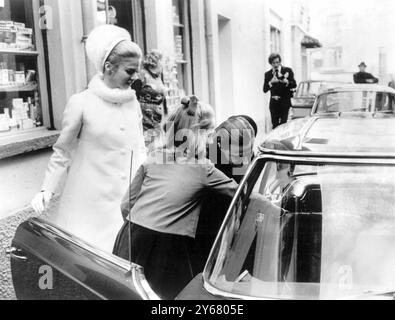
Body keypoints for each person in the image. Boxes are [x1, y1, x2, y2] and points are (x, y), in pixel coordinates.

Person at [30, 25, 147, 252]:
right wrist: (47, 189)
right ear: (108, 67)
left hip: (126, 203)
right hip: (90, 205)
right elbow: (63, 151)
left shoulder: (132, 102)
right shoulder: (81, 102)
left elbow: (140, 146)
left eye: (137, 71)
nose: (136, 77)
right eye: (130, 71)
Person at [112, 96, 238, 299]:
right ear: (199, 135)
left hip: (130, 234)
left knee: (125, 292)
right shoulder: (202, 168)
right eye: (209, 133)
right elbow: (239, 192)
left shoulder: (154, 157)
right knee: (171, 297)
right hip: (166, 246)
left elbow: (126, 204)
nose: (212, 139)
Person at [190, 115, 258, 276]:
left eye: (245, 152)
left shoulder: (244, 145)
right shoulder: (206, 154)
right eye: (237, 153)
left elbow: (248, 179)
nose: (242, 158)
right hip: (206, 218)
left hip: (234, 211)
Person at [131, 49, 167, 149]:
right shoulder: (141, 76)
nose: (163, 66)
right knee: (148, 150)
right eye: (162, 62)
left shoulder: (157, 77)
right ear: (156, 62)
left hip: (157, 122)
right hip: (145, 123)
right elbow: (132, 95)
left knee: (157, 152)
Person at [263, 53, 297, 129]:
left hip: (285, 103)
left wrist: (287, 81)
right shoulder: (268, 74)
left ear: (280, 61)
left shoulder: (287, 70)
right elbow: (264, 90)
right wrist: (270, 82)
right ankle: (275, 141)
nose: (276, 65)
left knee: (283, 125)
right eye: (273, 63)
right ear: (270, 63)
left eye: (277, 62)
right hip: (274, 104)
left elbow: (294, 84)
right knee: (275, 126)